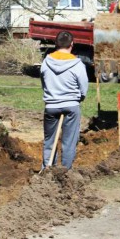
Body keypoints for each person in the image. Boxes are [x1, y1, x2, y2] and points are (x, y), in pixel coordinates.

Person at [39, 31, 89, 169]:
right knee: (69, 142)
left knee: (49, 140)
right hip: (71, 106)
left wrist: (50, 96)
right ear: (72, 44)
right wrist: (80, 98)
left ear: (56, 44)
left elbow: (43, 83)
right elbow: (83, 87)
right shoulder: (77, 64)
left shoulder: (46, 62)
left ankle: (47, 168)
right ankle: (66, 172)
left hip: (51, 106)